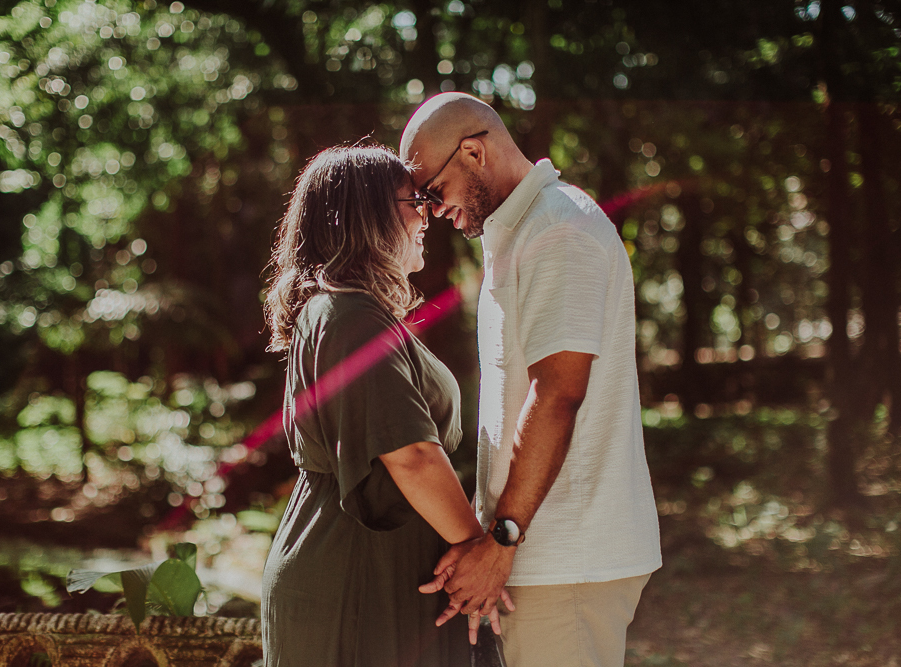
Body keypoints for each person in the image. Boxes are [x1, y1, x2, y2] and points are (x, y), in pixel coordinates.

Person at [400, 93, 662, 667]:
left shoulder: (558, 232)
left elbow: (558, 393)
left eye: (431, 191)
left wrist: (502, 540)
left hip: (566, 555)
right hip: (546, 554)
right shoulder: (522, 233)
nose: (430, 211)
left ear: (473, 152)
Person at [260, 144, 511, 667]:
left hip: (372, 572)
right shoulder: (350, 316)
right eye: (414, 200)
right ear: (366, 213)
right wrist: (479, 552)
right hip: (354, 577)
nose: (429, 214)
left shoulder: (342, 311)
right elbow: (412, 456)